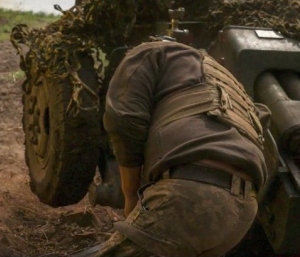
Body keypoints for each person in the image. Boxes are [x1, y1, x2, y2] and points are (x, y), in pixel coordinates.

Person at [99, 37, 268, 257]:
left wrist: (130, 196)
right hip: (243, 210)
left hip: (193, 192)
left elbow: (123, 119)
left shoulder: (149, 53)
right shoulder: (224, 79)